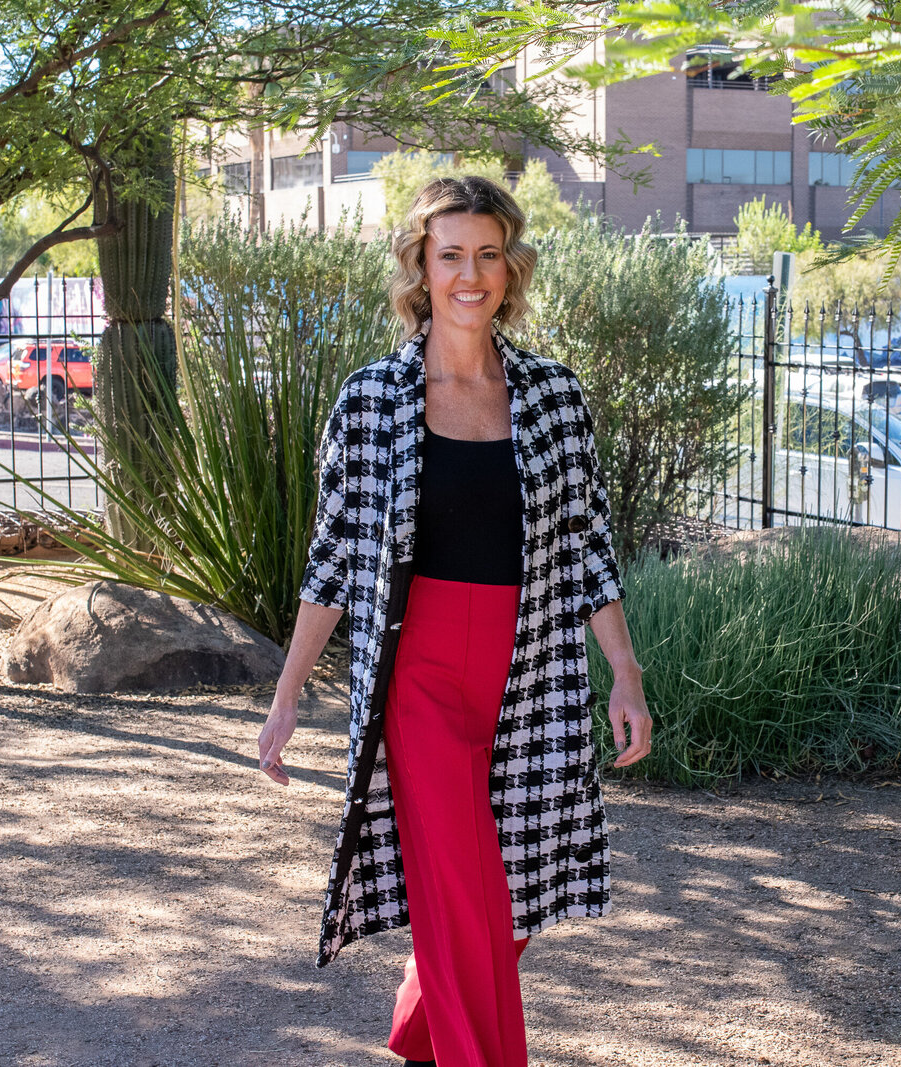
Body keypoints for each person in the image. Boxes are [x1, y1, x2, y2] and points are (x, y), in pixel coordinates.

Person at [256, 175, 653, 1067]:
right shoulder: (373, 400)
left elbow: (590, 544)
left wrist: (623, 674)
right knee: (468, 901)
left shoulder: (554, 396)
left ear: (510, 268)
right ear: (421, 269)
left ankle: (417, 1029)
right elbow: (332, 559)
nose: (469, 274)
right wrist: (285, 699)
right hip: (422, 677)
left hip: (531, 671)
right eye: (450, 256)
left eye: (487, 254)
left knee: (499, 902)